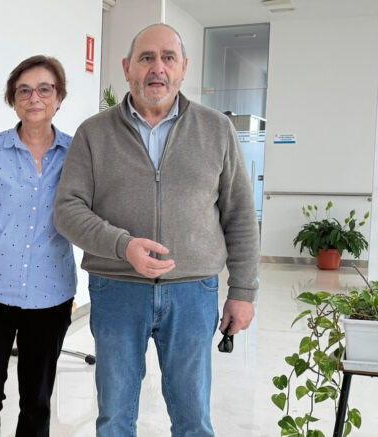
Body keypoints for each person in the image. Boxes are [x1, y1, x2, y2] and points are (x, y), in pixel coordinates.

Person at [53, 23, 260, 437]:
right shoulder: (94, 133)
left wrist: (243, 292)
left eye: (168, 58)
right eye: (147, 58)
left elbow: (239, 213)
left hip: (193, 291)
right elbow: (67, 209)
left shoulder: (216, 129)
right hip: (116, 290)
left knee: (193, 419)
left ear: (184, 68)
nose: (157, 68)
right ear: (128, 67)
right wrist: (123, 246)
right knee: (114, 417)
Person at [0, 55, 77, 437]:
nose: (34, 97)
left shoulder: (77, 155)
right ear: (13, 99)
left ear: (59, 98)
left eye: (45, 89)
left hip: (51, 294)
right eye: (23, 90)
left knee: (37, 400)